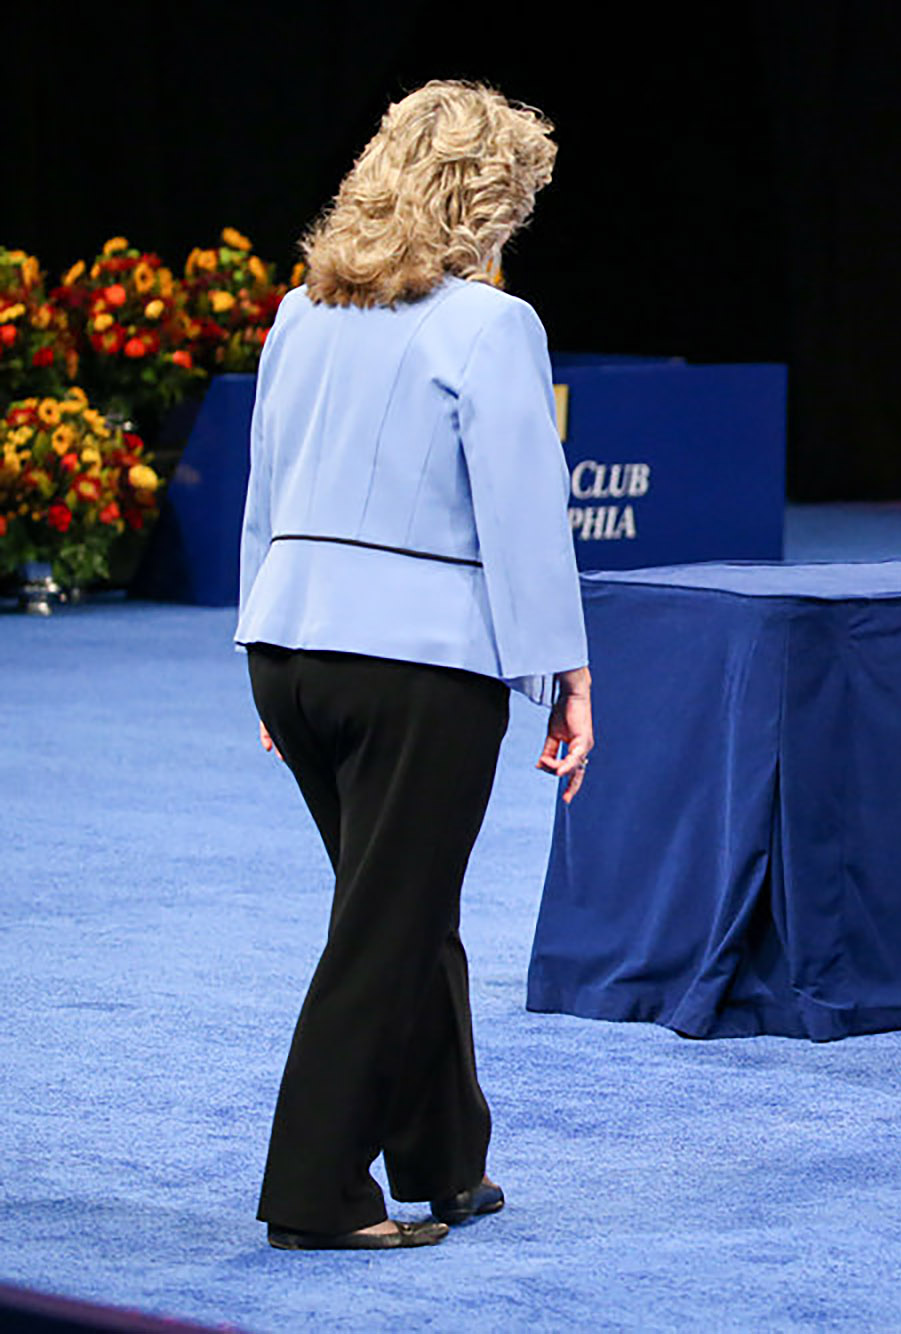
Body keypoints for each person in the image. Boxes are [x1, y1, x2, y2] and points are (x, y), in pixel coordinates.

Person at [236, 80, 591, 1250]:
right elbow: (524, 514)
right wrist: (564, 673)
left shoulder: (299, 311)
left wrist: (260, 641)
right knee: (386, 925)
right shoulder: (492, 325)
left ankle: (445, 1160)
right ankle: (314, 1192)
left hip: (289, 648)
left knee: (403, 902)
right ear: (486, 201)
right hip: (417, 666)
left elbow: (264, 491)